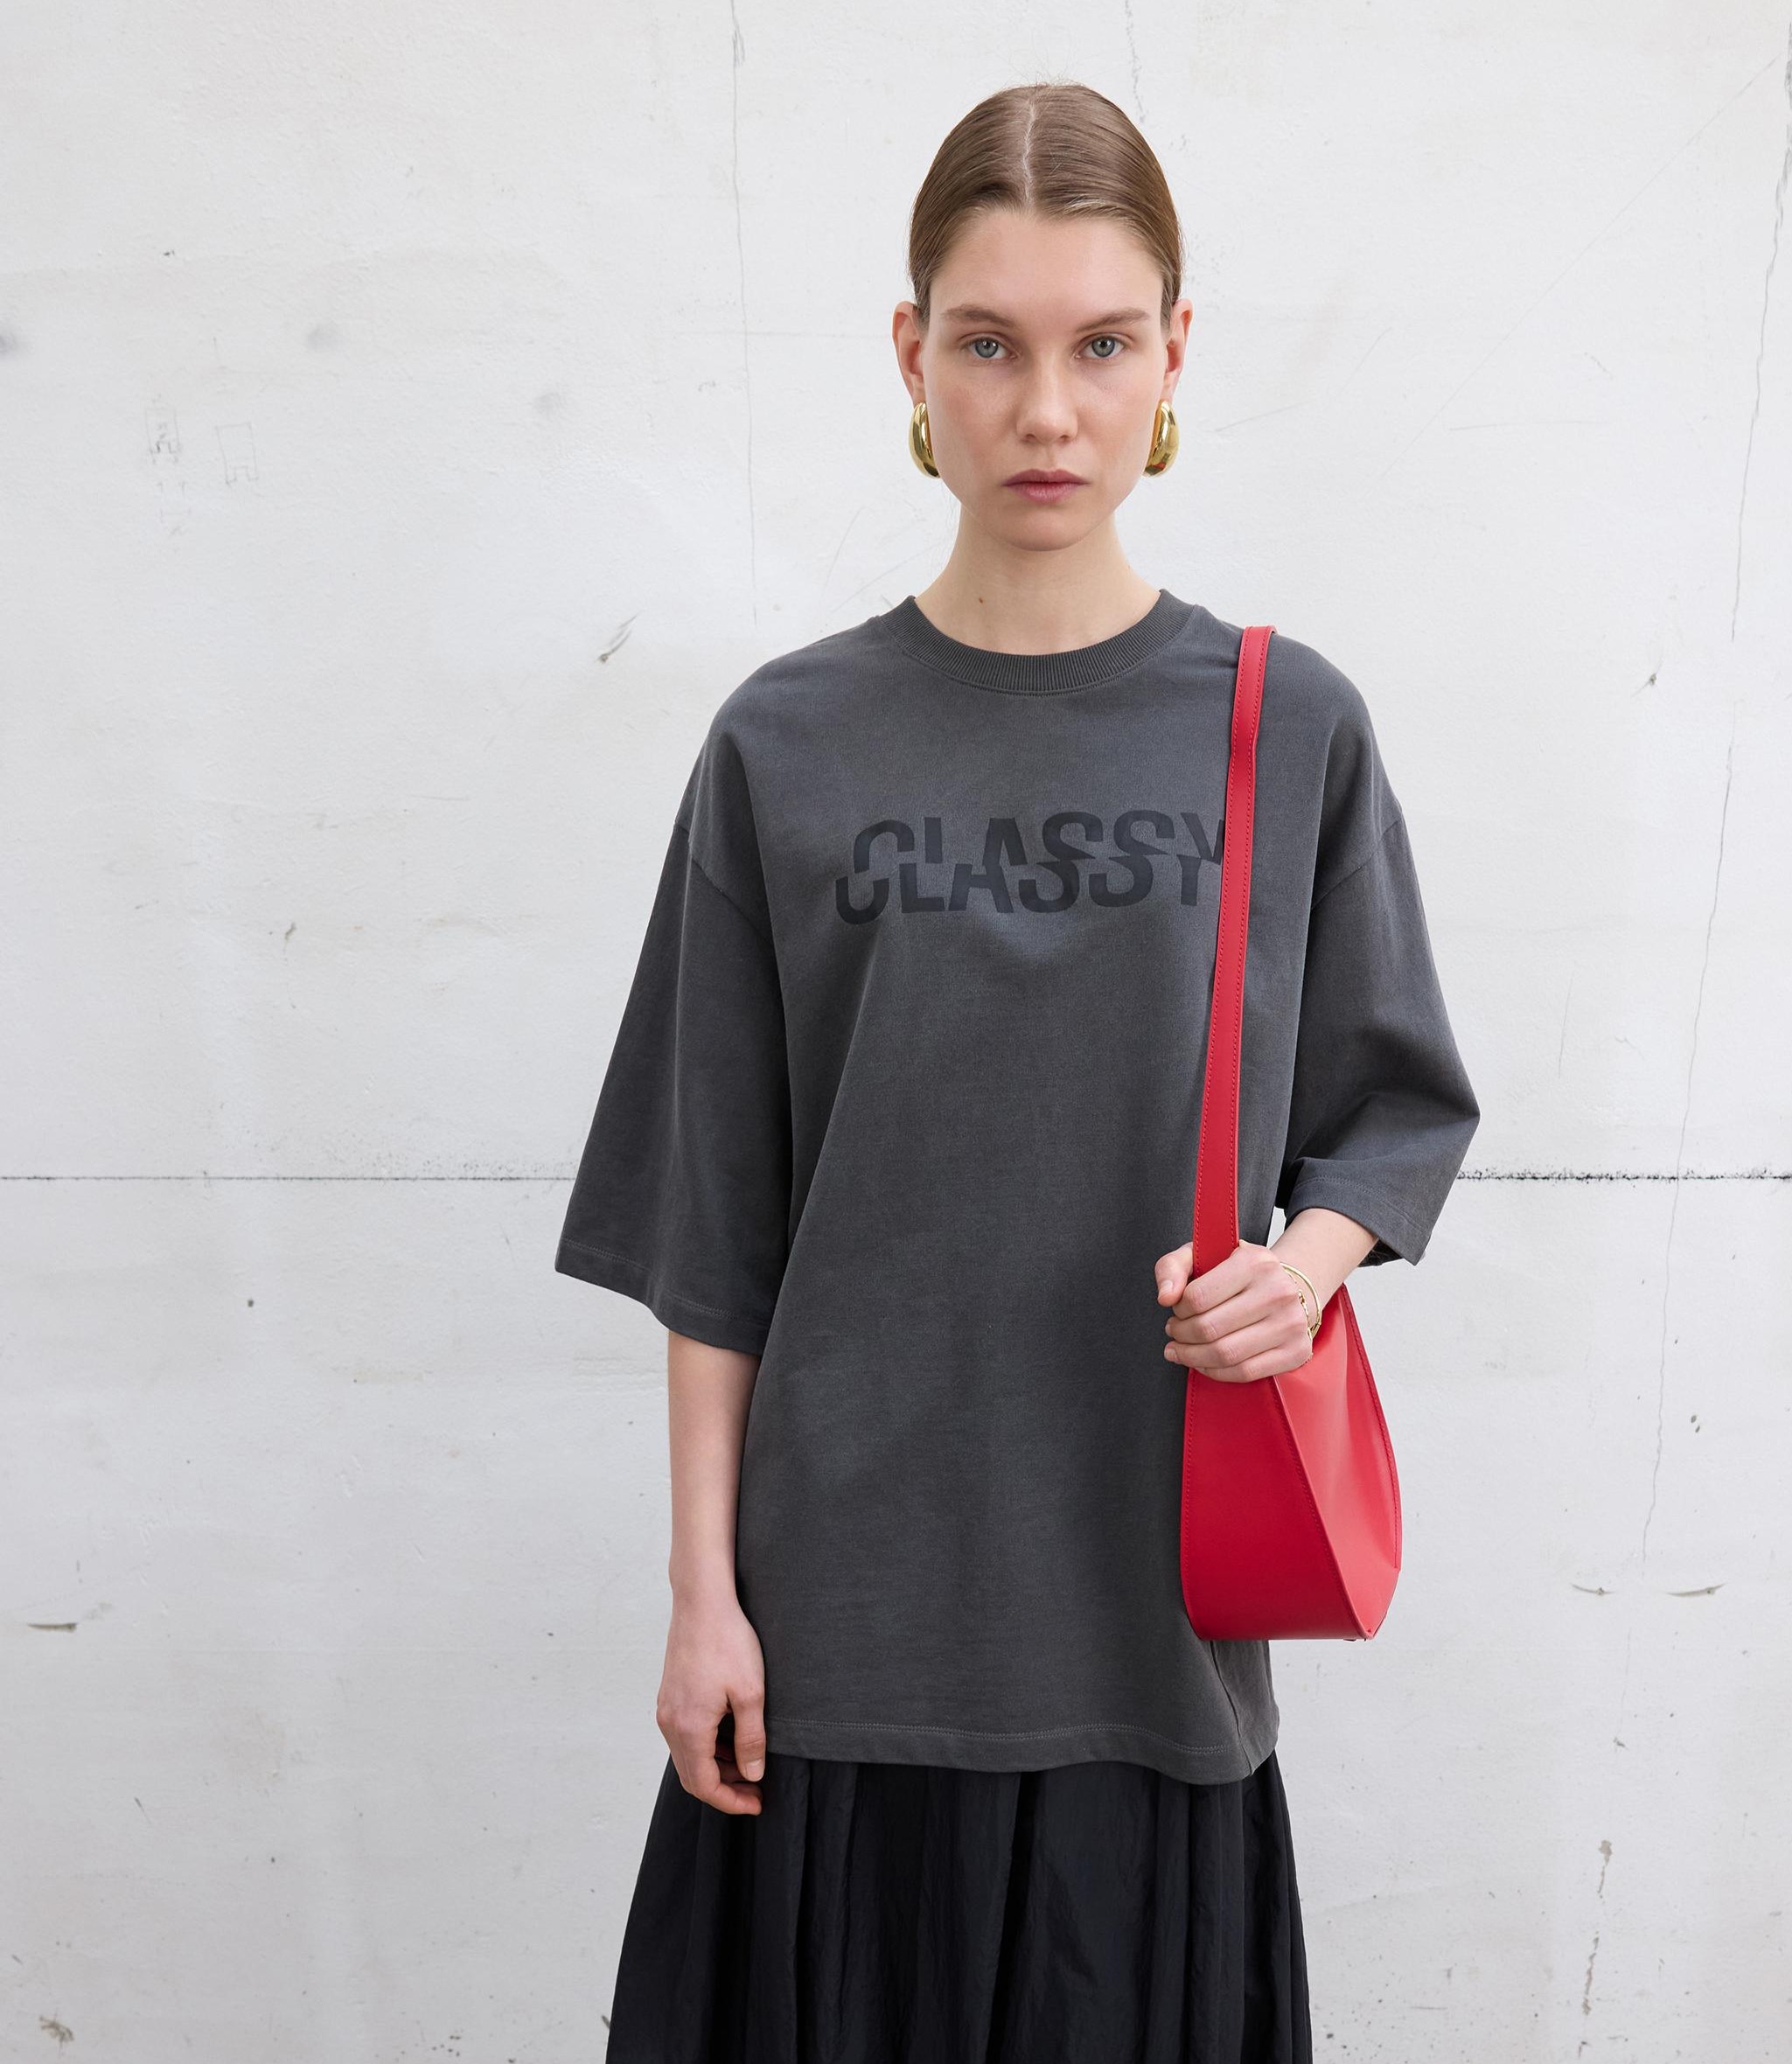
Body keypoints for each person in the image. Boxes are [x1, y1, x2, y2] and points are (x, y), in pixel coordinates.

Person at [554, 79, 1480, 2064]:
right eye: (988, 345)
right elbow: (715, 1225)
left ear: (1174, 354)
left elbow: (1392, 1108)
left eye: (1100, 345)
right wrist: (704, 1596)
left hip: (1147, 1622)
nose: (1046, 410)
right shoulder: (784, 742)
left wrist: (1303, 1269)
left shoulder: (1281, 725)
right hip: (839, 1637)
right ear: (911, 352)